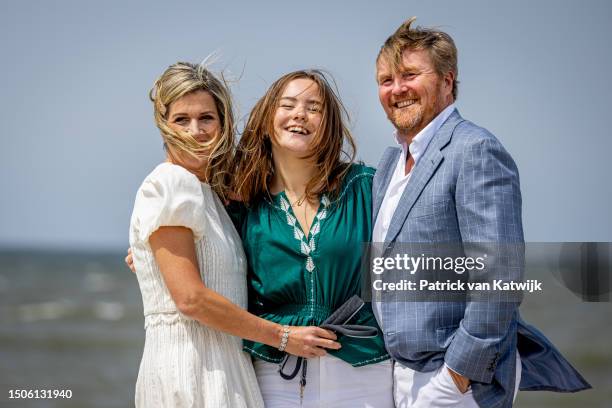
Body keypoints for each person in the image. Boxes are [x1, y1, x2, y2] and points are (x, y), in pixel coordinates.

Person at [371, 18, 591, 407]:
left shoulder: (475, 149)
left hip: (451, 382)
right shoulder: (390, 164)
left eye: (409, 75)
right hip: (396, 374)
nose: (397, 89)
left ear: (446, 80)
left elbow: (500, 275)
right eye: (386, 80)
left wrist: (456, 376)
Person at [128, 62, 340, 408]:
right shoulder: (169, 183)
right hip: (190, 369)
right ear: (163, 124)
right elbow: (191, 299)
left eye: (206, 118)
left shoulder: (209, 193)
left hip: (227, 367)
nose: (195, 130)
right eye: (181, 119)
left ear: (223, 122)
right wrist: (283, 337)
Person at [229, 70, 393, 407]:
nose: (300, 114)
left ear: (329, 125)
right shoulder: (243, 202)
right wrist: (152, 253)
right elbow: (200, 250)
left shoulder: (366, 187)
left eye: (314, 108)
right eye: (288, 104)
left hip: (363, 372)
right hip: (276, 375)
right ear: (266, 120)